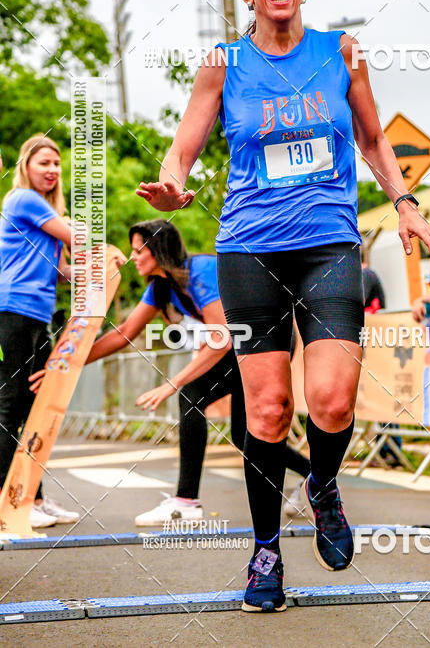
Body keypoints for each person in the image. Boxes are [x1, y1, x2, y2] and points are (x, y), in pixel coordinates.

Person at [137, 0, 430, 613]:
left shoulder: (341, 53)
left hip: (329, 247)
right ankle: (264, 554)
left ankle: (322, 485)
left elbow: (373, 139)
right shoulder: (223, 63)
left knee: (334, 402)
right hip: (249, 250)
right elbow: (182, 150)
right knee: (269, 408)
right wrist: (172, 186)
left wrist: (405, 205)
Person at [32, 219, 310, 525]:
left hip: (266, 340)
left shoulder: (201, 271)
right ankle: (317, 481)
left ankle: (186, 501)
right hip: (240, 343)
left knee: (190, 396)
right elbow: (123, 333)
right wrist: (65, 366)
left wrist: (170, 384)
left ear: (158, 250)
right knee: (246, 435)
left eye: (139, 251)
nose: (134, 257)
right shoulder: (161, 288)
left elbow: (222, 339)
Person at [0, 136, 79, 528]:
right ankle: (8, 499)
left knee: (35, 406)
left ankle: (33, 497)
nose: (51, 170)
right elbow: (79, 240)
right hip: (12, 310)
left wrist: (105, 273)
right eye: (43, 162)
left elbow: (63, 270)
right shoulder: (23, 199)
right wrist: (103, 248)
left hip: (35, 314)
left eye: (56, 164)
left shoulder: (45, 212)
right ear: (26, 165)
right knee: (9, 406)